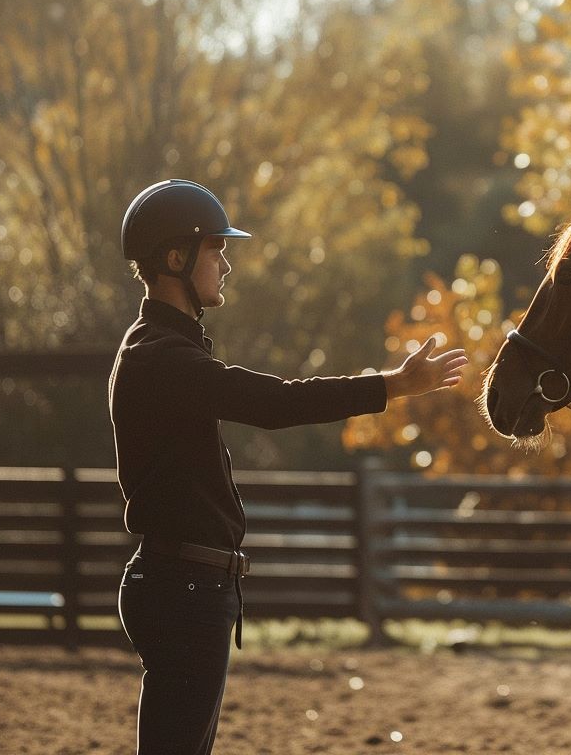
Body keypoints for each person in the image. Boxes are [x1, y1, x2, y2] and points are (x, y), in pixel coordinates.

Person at [108, 179, 467, 755]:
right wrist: (391, 386)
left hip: (188, 584)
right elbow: (277, 404)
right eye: (215, 249)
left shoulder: (165, 349)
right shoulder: (162, 357)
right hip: (185, 588)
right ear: (176, 258)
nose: (226, 263)